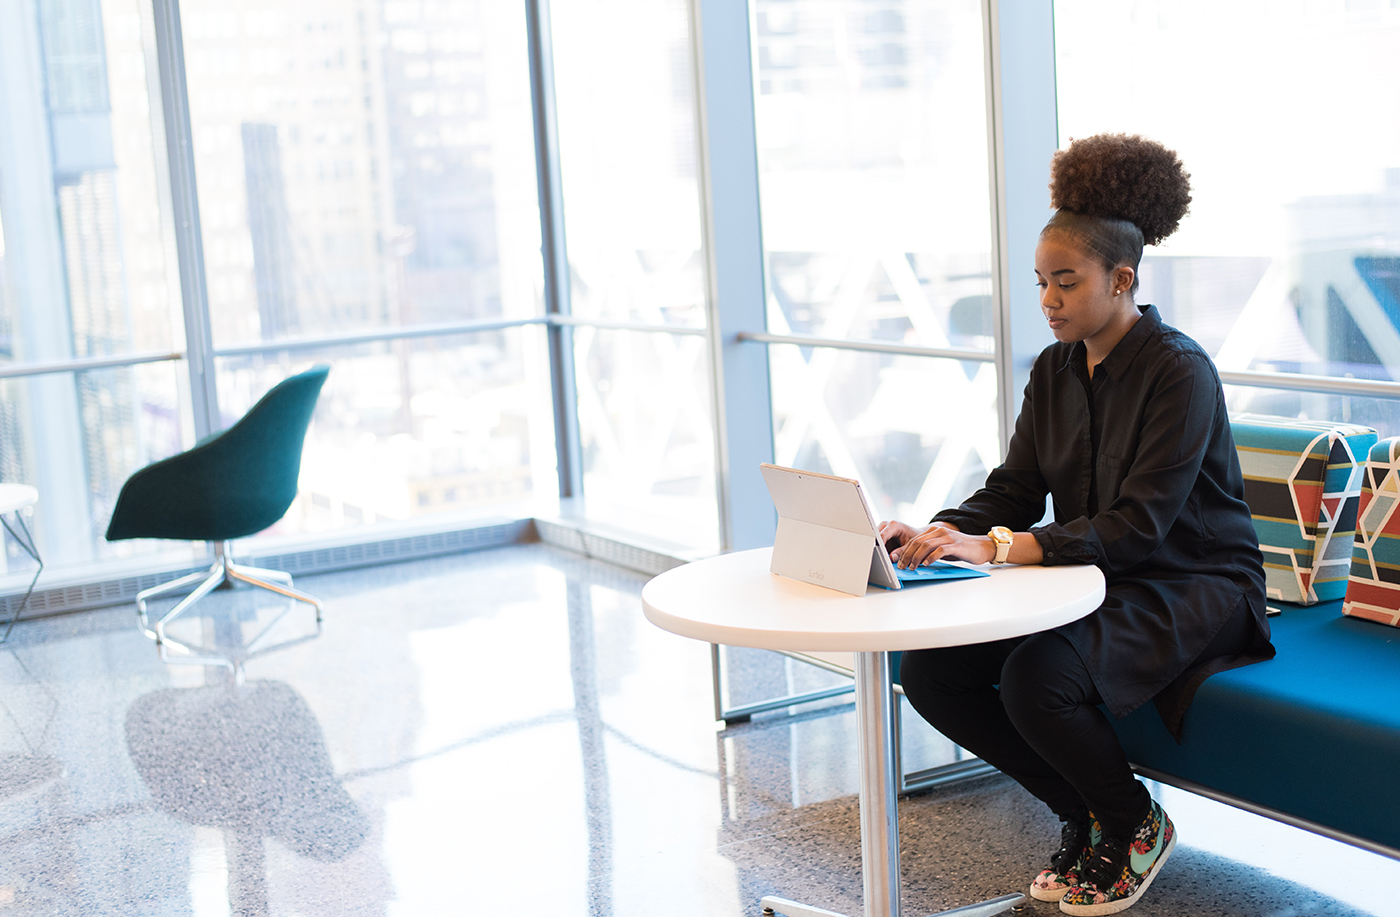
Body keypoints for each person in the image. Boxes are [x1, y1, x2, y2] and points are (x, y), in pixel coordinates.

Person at [878, 133, 1274, 916]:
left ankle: (1134, 824)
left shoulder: (1180, 371)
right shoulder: (1054, 370)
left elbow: (1141, 525)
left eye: (1066, 282)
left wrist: (996, 548)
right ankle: (1086, 815)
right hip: (1095, 574)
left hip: (1196, 582)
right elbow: (1018, 486)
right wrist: (931, 532)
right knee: (931, 669)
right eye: (1040, 283)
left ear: (1122, 279)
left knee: (1038, 676)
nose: (1049, 300)